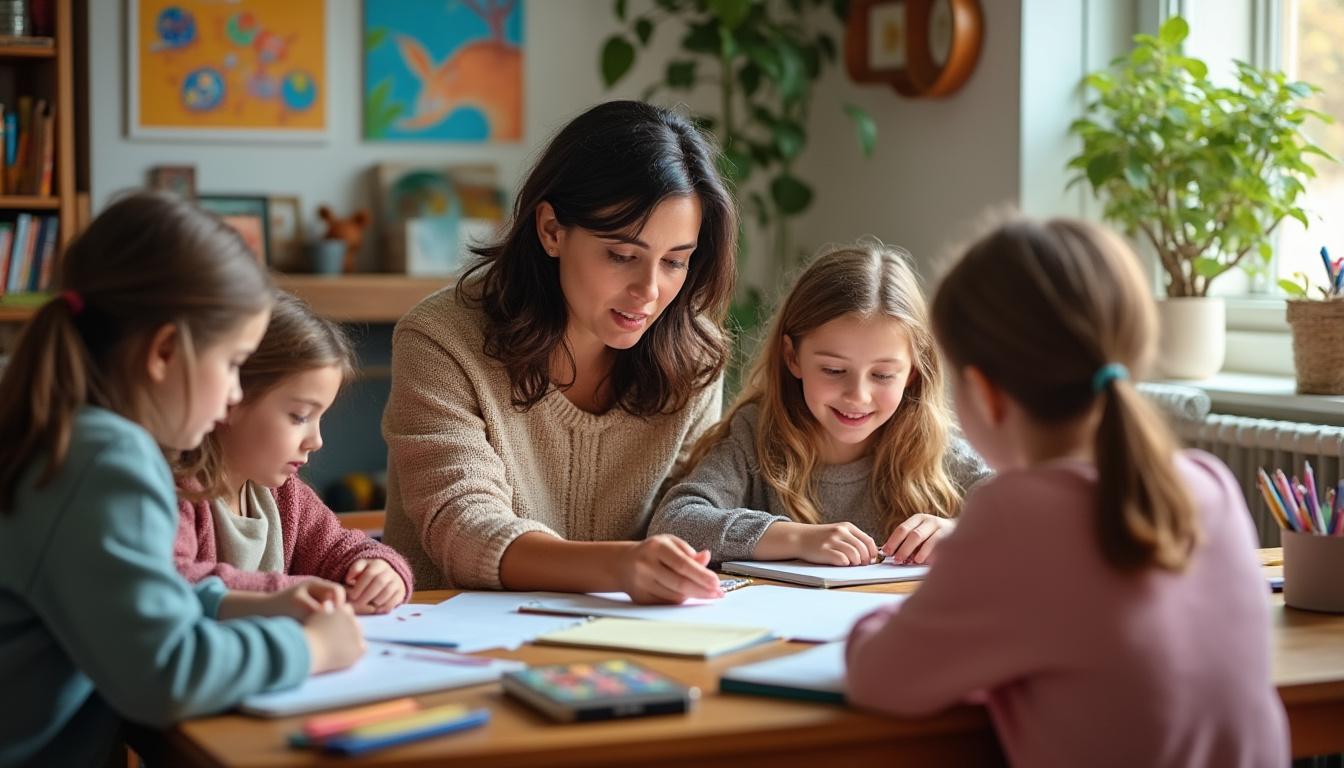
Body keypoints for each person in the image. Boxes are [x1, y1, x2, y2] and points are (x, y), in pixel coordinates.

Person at [845, 217, 1288, 767]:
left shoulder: (1018, 517)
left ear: (984, 392)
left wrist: (876, 621)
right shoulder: (1209, 483)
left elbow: (878, 677)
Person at [0, 192, 363, 766]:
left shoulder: (60, 435)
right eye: (233, 364)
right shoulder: (108, 460)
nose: (235, 393)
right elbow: (166, 674)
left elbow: (126, 595)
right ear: (166, 351)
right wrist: (309, 647)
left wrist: (242, 603)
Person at [382, 100, 736, 603]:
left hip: (627, 635)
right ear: (551, 230)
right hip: (453, 633)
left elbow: (688, 514)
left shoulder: (694, 355)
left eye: (675, 262)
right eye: (622, 255)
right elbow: (463, 528)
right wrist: (619, 566)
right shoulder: (441, 338)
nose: (649, 291)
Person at [651, 241, 988, 565]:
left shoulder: (934, 447)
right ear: (792, 357)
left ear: (912, 372)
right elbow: (673, 522)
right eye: (833, 370)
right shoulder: (755, 435)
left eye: (883, 375)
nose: (858, 395)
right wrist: (797, 539)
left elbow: (1020, 511)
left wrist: (962, 531)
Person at [175, 291, 413, 614]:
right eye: (300, 416)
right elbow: (174, 583)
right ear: (231, 397)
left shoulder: (287, 497)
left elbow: (342, 550)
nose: (316, 440)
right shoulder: (178, 492)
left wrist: (382, 570)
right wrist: (291, 593)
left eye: (320, 418)